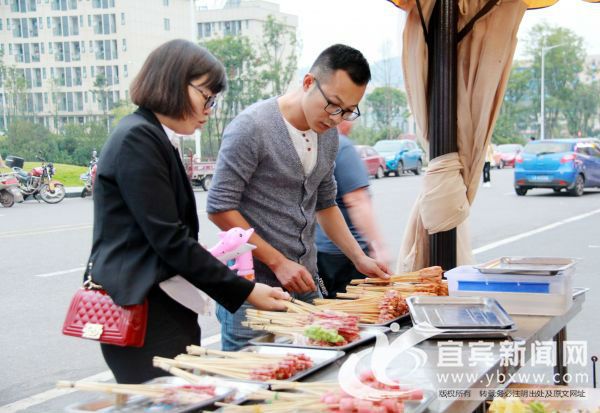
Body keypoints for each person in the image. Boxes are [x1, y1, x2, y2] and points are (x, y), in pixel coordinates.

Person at [89, 39, 289, 384]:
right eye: (206, 96)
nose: (209, 108)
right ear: (172, 82)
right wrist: (245, 292)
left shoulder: (151, 136)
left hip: (160, 309)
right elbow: (170, 239)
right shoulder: (138, 139)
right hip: (142, 313)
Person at [207, 44, 390, 351]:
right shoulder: (252, 127)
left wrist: (359, 258)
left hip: (304, 280)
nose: (336, 118)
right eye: (333, 104)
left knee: (317, 364)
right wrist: (278, 263)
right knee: (254, 387)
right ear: (308, 83)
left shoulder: (328, 135)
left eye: (347, 111)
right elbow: (219, 207)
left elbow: (326, 202)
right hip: (251, 287)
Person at [316, 120, 390, 298]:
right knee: (355, 314)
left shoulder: (320, 144)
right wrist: (378, 246)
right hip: (347, 255)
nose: (352, 120)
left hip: (322, 251)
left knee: (332, 309)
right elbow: (357, 200)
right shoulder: (343, 147)